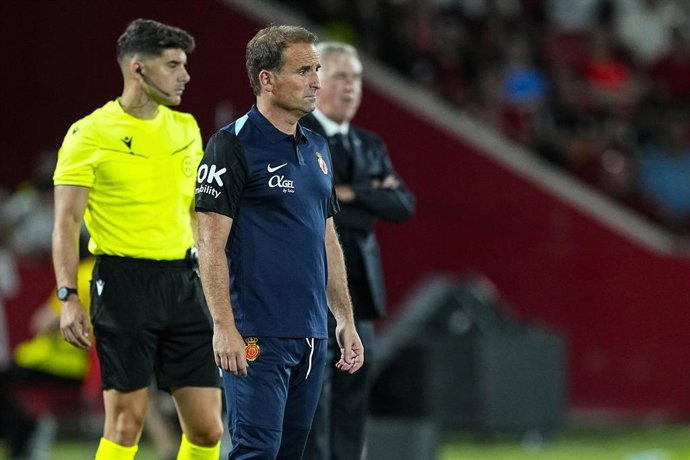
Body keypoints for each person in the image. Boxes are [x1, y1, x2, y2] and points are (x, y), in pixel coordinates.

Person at [51, 18, 223, 460]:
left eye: (185, 64)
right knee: (126, 425)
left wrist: (216, 277)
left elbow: (195, 213)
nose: (184, 75)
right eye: (173, 64)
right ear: (138, 69)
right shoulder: (88, 133)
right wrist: (69, 295)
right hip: (123, 283)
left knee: (207, 428)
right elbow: (66, 222)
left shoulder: (186, 128)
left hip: (183, 284)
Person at [194, 25, 364, 459]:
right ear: (266, 79)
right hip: (255, 335)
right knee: (255, 453)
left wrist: (343, 319)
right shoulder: (230, 146)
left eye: (317, 69)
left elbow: (327, 239)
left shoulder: (318, 149)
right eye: (304, 70)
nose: (316, 82)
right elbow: (209, 245)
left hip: (311, 336)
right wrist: (223, 326)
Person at [300, 42, 415, 460]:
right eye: (341, 77)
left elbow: (402, 205)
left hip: (361, 293)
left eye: (357, 78)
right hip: (311, 288)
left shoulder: (368, 144)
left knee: (352, 391)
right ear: (316, 81)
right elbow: (310, 203)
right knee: (313, 395)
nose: (352, 87)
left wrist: (345, 193)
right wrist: (367, 196)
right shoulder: (299, 136)